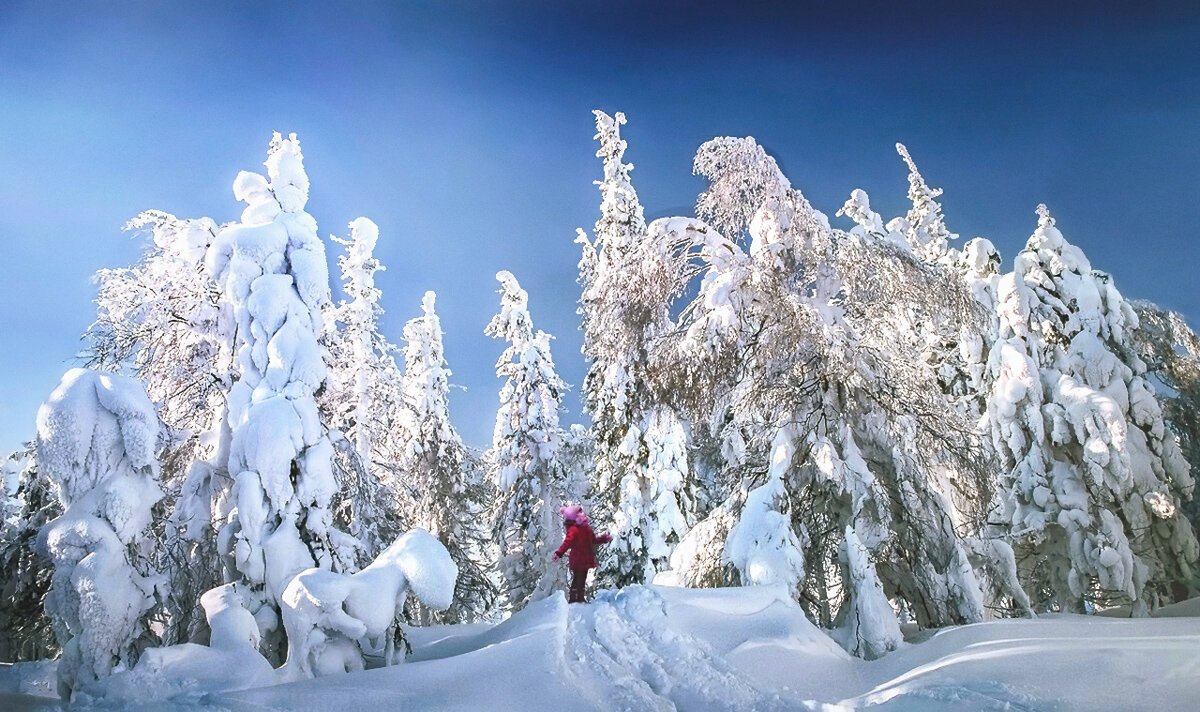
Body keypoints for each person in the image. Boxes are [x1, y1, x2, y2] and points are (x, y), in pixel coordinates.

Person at [551, 505, 611, 603]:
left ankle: (580, 598)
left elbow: (593, 540)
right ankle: (574, 599)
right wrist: (559, 553)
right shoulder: (573, 530)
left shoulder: (587, 528)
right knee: (577, 578)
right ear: (574, 517)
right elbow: (567, 543)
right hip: (577, 559)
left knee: (583, 577)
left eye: (581, 512)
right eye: (579, 513)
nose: (582, 514)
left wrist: (603, 539)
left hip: (586, 558)